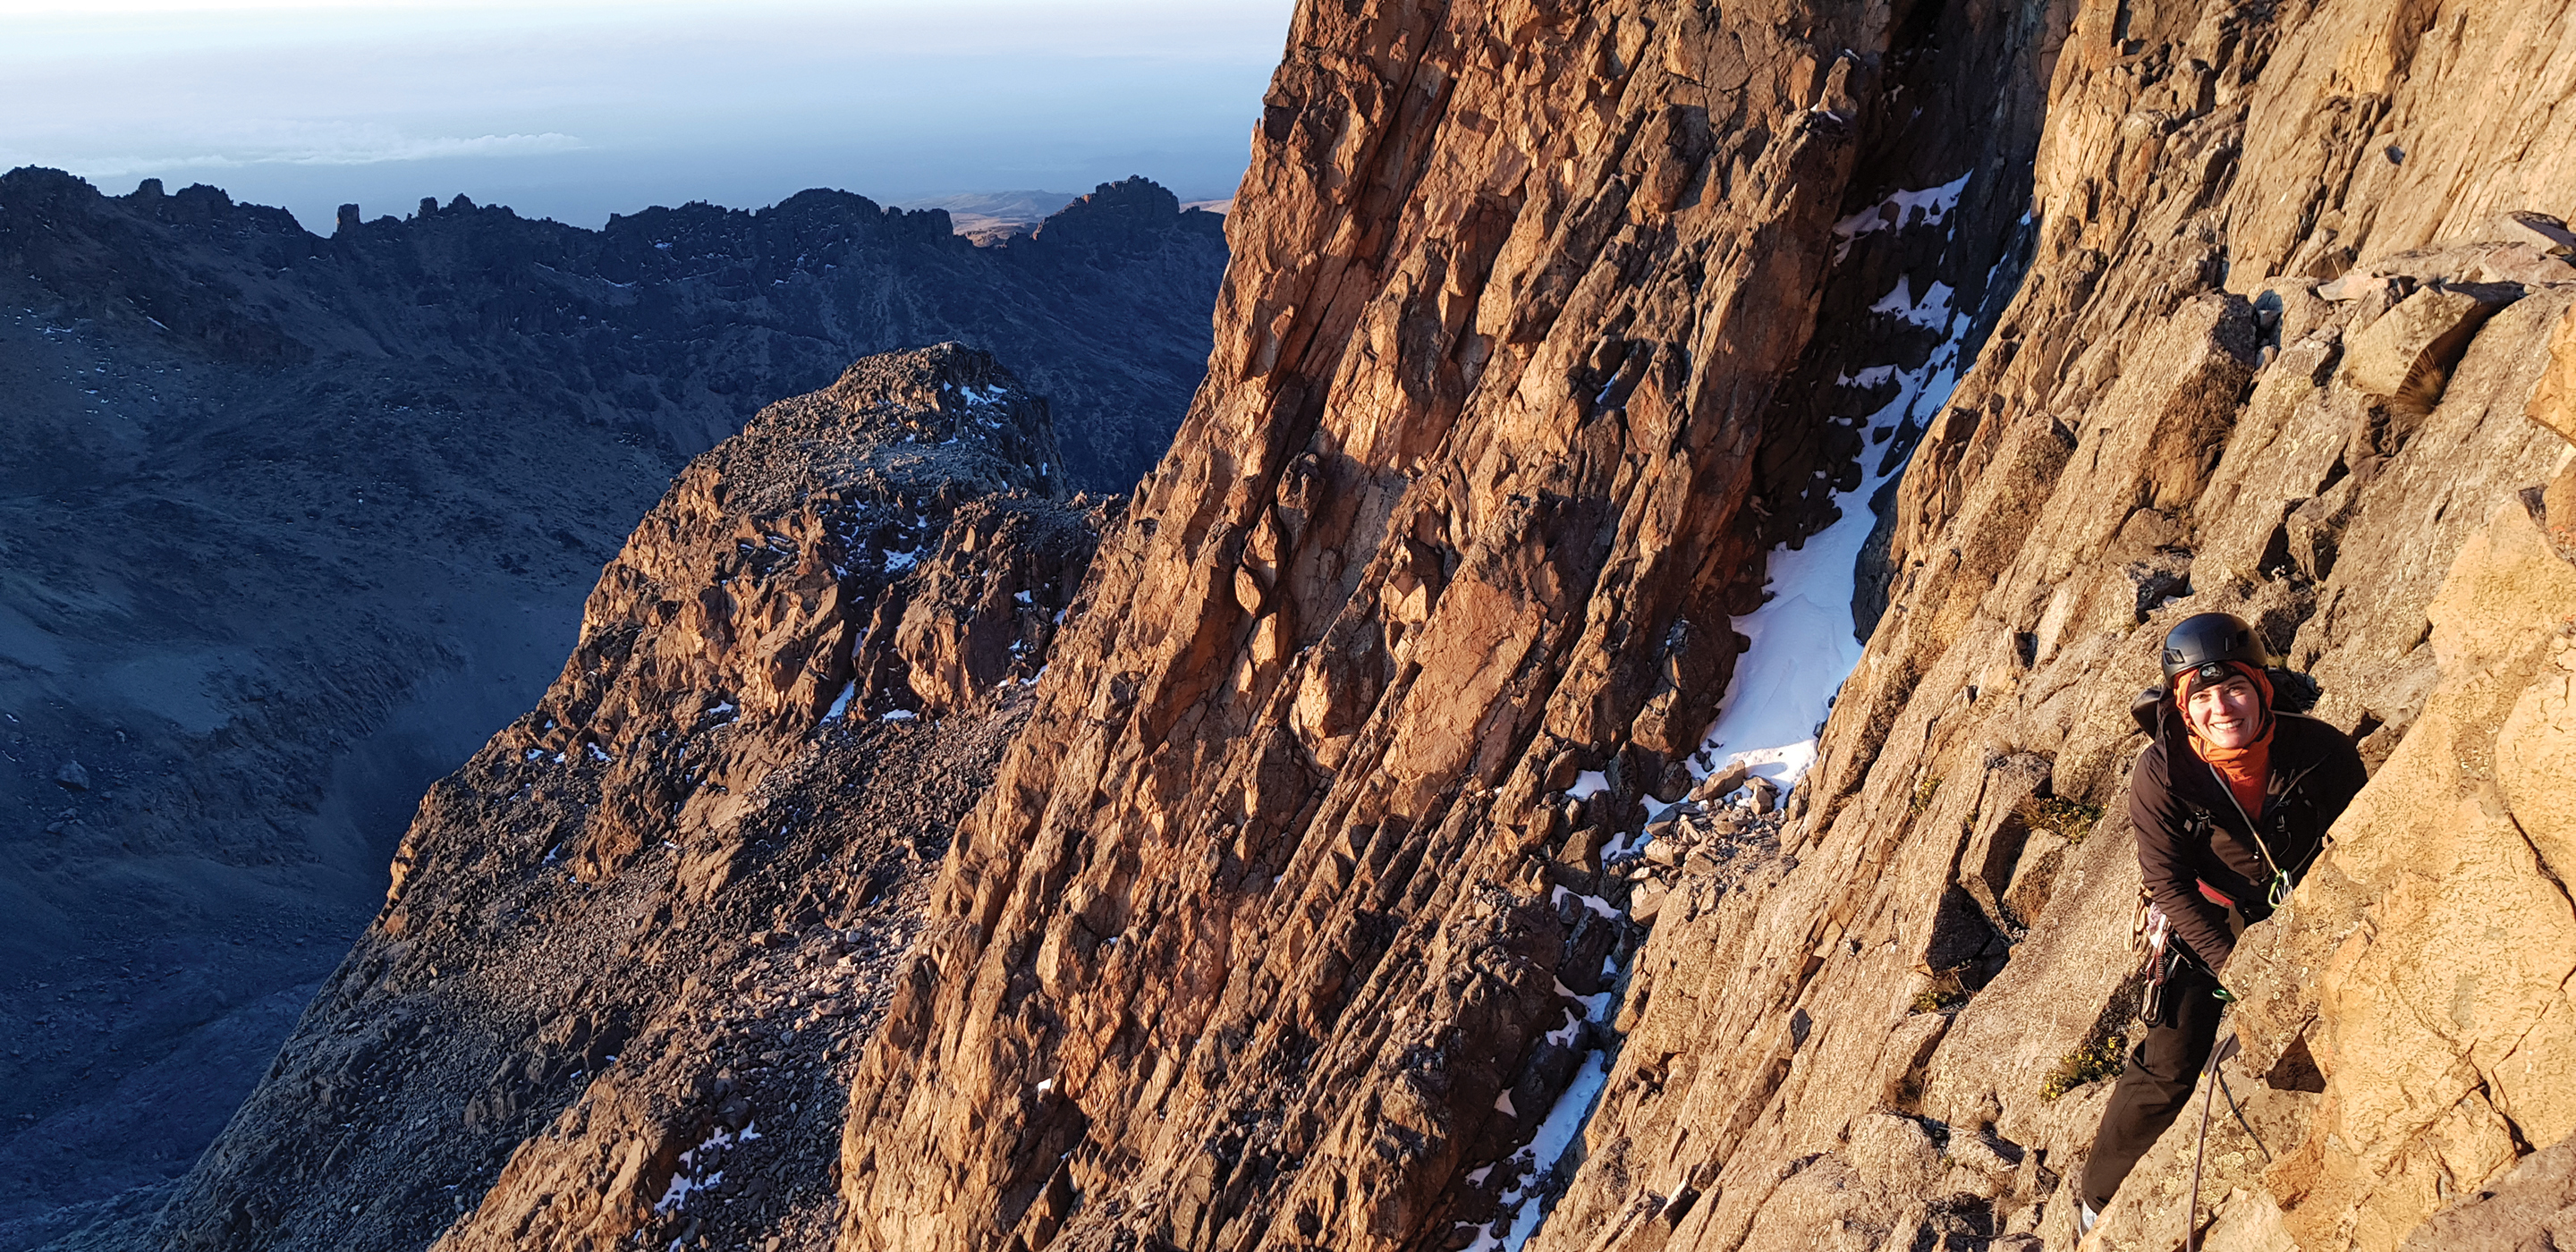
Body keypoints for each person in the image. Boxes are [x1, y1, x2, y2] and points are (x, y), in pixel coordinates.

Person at [2076, 613, 2369, 1234]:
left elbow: (2364, 837)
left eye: (2234, 688)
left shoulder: (2322, 751)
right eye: (2201, 696)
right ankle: (2096, 1200)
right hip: (2201, 921)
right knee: (2170, 1066)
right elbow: (2168, 884)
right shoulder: (2162, 774)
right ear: (2182, 708)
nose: (2221, 708)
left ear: (2262, 687)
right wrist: (2236, 967)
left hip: (2301, 908)